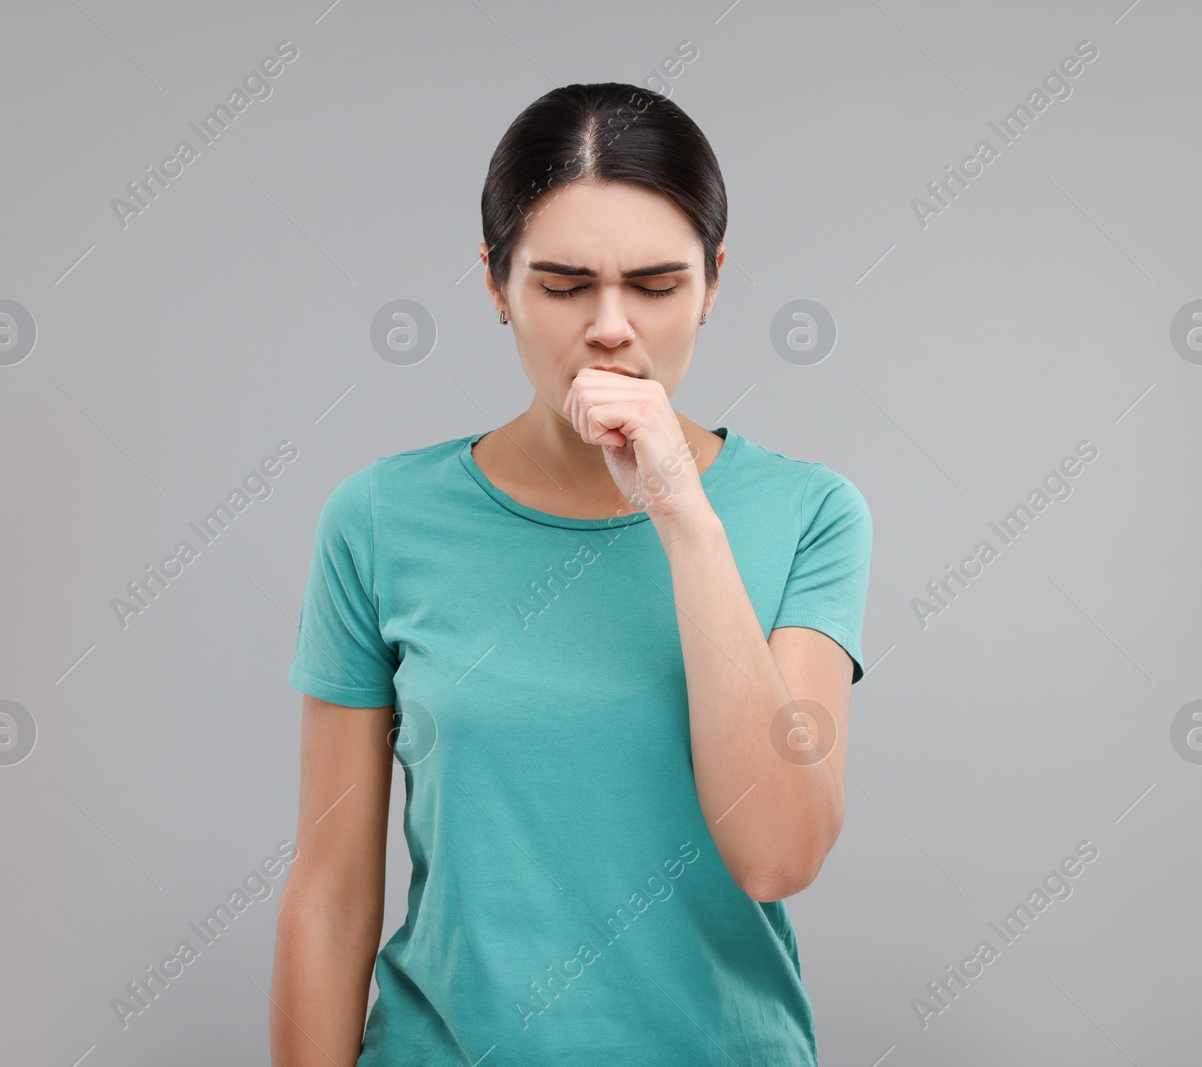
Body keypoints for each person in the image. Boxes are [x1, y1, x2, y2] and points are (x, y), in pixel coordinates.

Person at [270, 81, 873, 1066]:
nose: (609, 325)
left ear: (713, 281)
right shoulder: (379, 520)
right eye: (561, 285)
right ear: (495, 282)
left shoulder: (809, 512)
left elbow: (779, 849)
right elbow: (330, 891)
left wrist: (683, 515)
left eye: (653, 283)